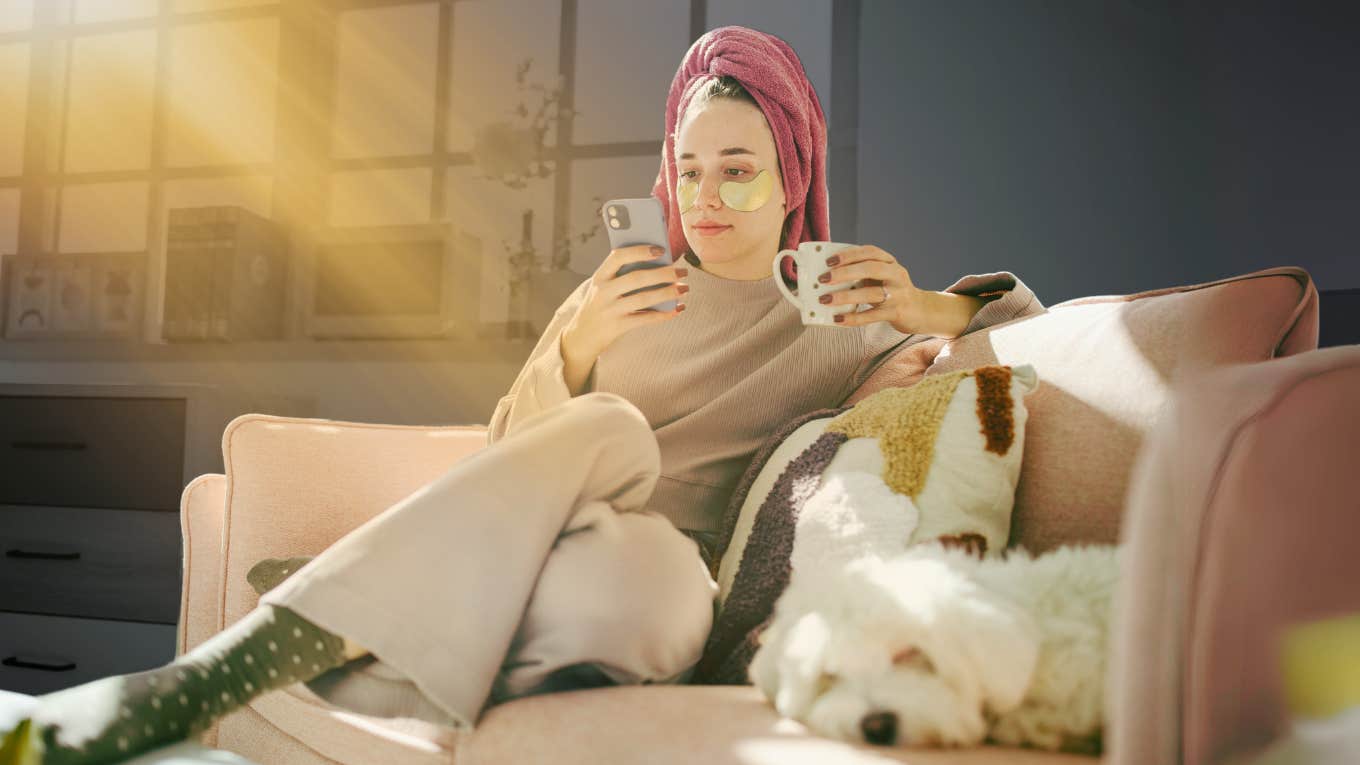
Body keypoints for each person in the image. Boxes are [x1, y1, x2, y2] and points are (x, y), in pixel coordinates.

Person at [0, 25, 1042, 765]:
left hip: (642, 602)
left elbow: (1028, 339)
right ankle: (216, 675)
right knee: (607, 424)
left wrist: (929, 312)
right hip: (534, 539)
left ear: (792, 169)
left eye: (738, 169)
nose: (708, 198)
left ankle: (348, 620)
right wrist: (578, 345)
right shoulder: (617, 290)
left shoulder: (841, 311)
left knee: (663, 583)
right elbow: (505, 449)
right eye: (688, 171)